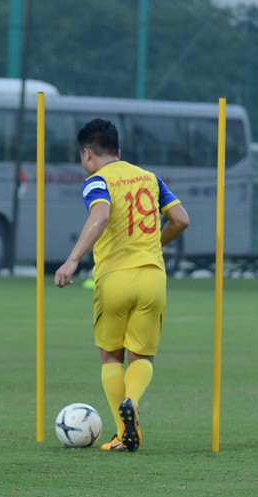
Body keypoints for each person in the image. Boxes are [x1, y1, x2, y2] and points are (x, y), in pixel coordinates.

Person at [54, 118, 190, 452]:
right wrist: (154, 243)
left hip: (114, 279)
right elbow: (181, 220)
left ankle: (121, 429)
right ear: (120, 150)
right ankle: (132, 400)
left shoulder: (96, 181)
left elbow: (99, 216)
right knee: (142, 356)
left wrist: (72, 260)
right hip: (152, 278)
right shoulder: (150, 178)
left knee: (111, 357)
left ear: (87, 154)